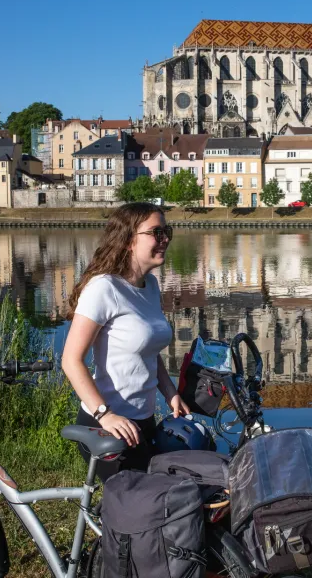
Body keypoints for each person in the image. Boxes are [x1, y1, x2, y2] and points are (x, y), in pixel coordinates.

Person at [61, 202, 190, 482]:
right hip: (107, 426)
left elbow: (147, 350)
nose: (165, 238)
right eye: (156, 232)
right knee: (140, 510)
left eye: (166, 231)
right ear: (129, 240)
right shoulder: (103, 288)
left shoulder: (151, 286)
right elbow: (71, 361)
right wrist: (105, 415)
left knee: (148, 505)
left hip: (142, 420)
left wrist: (169, 392)